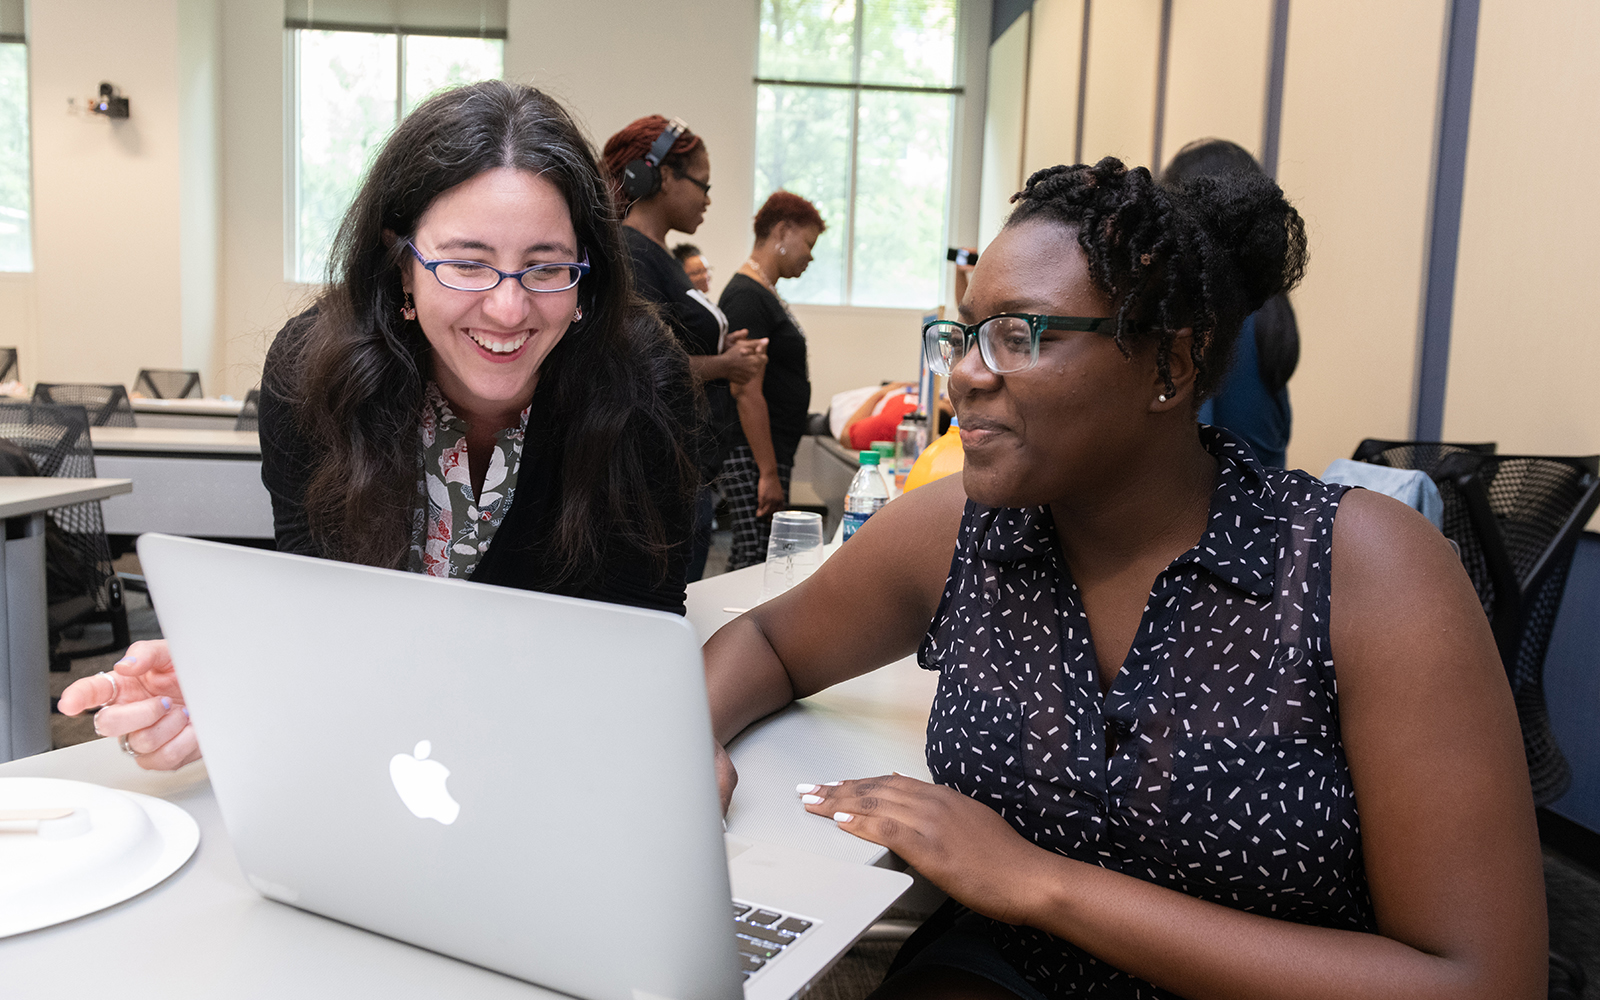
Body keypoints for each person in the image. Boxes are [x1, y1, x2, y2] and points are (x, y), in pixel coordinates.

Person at [704, 159, 1546, 998]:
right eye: (965, 333)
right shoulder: (960, 531)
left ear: (1171, 365)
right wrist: (686, 741)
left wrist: (1041, 882)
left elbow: (1484, 980)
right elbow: (770, 639)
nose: (963, 373)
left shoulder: (1362, 569)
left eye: (1021, 332)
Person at [58, 81, 700, 770]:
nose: (509, 309)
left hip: (556, 761)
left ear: (586, 278)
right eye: (466, 263)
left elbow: (637, 650)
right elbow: (322, 620)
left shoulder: (644, 386)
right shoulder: (314, 379)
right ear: (402, 268)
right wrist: (226, 682)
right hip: (375, 761)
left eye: (545, 268)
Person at [601, 116, 767, 581]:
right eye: (703, 184)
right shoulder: (631, 255)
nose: (708, 199)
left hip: (683, 471)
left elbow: (672, 340)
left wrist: (722, 348)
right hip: (653, 478)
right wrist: (725, 365)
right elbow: (638, 367)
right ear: (661, 176)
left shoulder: (662, 255)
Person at [1161, 138, 1300, 467]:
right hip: (1268, 508)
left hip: (1222, 510)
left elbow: (1188, 446)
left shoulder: (1208, 317)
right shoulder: (1270, 309)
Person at [719, 191, 825, 569]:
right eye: (808, 243)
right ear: (782, 231)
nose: (811, 255)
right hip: (753, 453)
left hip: (768, 450)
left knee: (758, 554)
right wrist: (766, 472)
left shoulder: (764, 292)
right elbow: (745, 390)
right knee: (753, 559)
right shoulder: (747, 296)